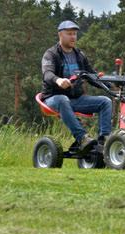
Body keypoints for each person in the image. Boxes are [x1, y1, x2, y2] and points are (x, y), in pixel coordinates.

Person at [41, 20, 112, 150]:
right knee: (63, 99)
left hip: (76, 99)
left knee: (105, 101)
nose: (73, 37)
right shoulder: (51, 54)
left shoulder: (79, 55)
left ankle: (105, 142)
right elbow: (47, 74)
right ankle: (82, 138)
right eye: (69, 34)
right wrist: (58, 80)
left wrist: (110, 86)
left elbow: (91, 76)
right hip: (54, 98)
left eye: (74, 34)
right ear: (60, 35)